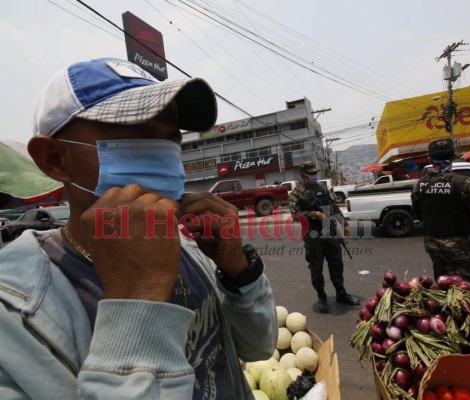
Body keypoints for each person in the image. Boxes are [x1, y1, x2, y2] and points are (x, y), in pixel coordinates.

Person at [0, 58, 277, 399]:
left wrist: (239, 273)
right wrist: (137, 303)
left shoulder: (189, 249)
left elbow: (258, 349)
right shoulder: (14, 314)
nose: (164, 155)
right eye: (139, 135)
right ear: (56, 159)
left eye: (172, 139)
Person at [411, 139, 470, 282]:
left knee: (441, 286)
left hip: (434, 247)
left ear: (429, 158)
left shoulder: (420, 185)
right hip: (462, 249)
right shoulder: (464, 183)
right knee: (462, 291)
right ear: (453, 156)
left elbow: (417, 214)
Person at [289, 161, 360, 313]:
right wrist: (315, 214)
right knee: (316, 269)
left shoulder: (322, 188)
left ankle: (341, 293)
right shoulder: (296, 193)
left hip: (330, 233)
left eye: (315, 173)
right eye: (312, 174)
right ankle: (321, 296)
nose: (315, 176)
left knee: (336, 265)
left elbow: (333, 207)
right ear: (303, 175)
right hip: (313, 238)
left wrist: (344, 224)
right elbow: (295, 215)